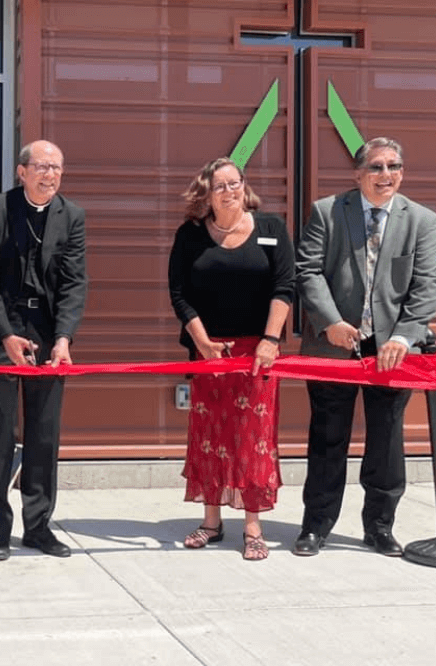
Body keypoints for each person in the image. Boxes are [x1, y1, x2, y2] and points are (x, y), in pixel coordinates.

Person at [293, 137, 436, 558]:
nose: (385, 175)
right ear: (357, 173)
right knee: (327, 437)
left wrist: (402, 336)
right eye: (375, 167)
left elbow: (427, 285)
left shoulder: (422, 220)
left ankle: (379, 527)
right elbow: (308, 271)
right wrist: (330, 323)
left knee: (387, 440)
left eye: (393, 166)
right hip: (334, 345)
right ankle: (315, 526)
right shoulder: (328, 212)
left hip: (392, 349)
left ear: (402, 172)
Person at [167, 157, 295, 561]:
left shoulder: (272, 228)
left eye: (234, 183)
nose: (228, 191)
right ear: (207, 192)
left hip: (258, 354)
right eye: (219, 185)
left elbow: (285, 285)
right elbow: (179, 294)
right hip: (209, 352)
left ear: (245, 186)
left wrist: (271, 339)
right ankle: (212, 521)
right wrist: (203, 342)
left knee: (253, 439)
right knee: (209, 436)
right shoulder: (190, 235)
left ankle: (253, 526)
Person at [0, 139, 87, 561]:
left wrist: (63, 338)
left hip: (48, 333)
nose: (49, 174)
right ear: (21, 171)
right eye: (41, 166)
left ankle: (38, 526)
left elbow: (74, 282)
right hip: (3, 332)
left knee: (43, 436)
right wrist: (3, 335)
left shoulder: (71, 216)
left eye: (57, 167)